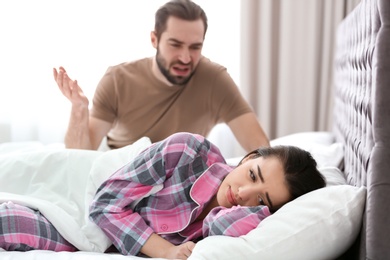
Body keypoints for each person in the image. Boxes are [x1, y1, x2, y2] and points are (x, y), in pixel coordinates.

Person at [52, 0, 270, 152]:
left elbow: (259, 146)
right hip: (119, 166)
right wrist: (79, 110)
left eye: (195, 47)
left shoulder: (215, 79)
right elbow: (79, 154)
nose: (186, 58)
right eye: (175, 45)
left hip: (177, 176)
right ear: (154, 39)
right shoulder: (117, 79)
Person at [88, 132, 326, 259]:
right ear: (248, 157)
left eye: (262, 200)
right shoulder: (186, 152)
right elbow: (104, 203)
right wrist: (165, 251)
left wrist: (260, 212)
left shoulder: (238, 221)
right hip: (79, 195)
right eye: (253, 175)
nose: (243, 194)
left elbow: (223, 229)